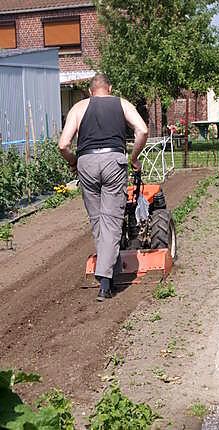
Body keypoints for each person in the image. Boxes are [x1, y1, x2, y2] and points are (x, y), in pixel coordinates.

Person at [58, 73, 148, 301]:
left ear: (90, 91)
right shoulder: (122, 104)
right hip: (112, 161)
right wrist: (134, 157)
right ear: (109, 88)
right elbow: (143, 131)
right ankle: (106, 282)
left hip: (86, 162)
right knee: (111, 219)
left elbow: (63, 144)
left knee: (97, 219)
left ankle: (109, 268)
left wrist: (73, 162)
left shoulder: (79, 107)